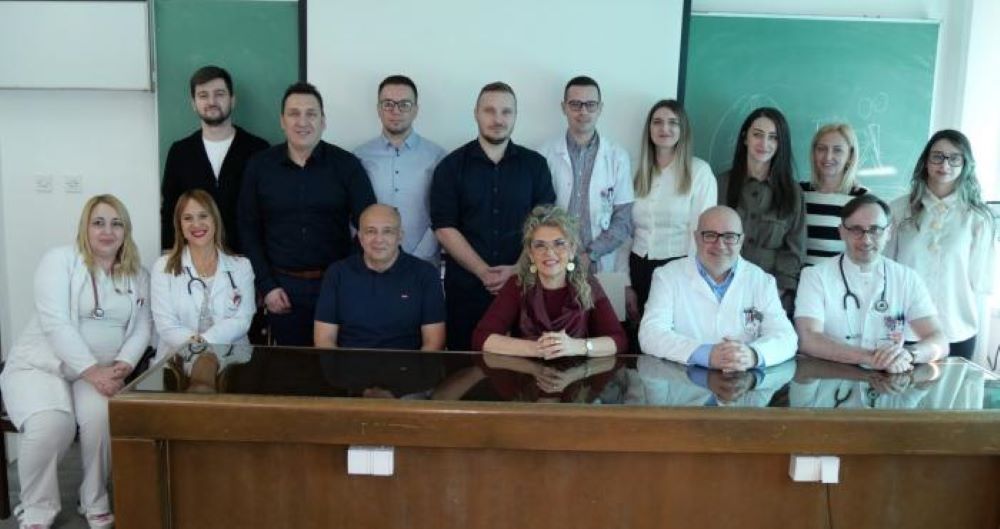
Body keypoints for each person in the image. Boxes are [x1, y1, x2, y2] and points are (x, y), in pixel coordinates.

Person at [0, 195, 151, 529]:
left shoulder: (138, 274)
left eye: (116, 223)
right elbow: (55, 323)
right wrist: (94, 372)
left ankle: (94, 498)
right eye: (98, 223)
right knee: (52, 425)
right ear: (85, 227)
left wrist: (123, 365)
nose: (107, 231)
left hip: (100, 371)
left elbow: (143, 326)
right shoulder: (60, 260)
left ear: (126, 230)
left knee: (102, 418)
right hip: (40, 366)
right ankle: (37, 507)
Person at [239, 82, 376, 346]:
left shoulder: (347, 165)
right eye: (294, 113)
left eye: (311, 114)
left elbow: (369, 225)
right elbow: (248, 228)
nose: (302, 122)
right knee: (293, 366)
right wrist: (267, 285)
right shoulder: (259, 166)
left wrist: (349, 278)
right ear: (282, 121)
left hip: (337, 284)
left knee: (338, 365)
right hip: (282, 288)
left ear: (323, 121)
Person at [430, 82, 555, 351]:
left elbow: (545, 226)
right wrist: (482, 271)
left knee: (527, 367)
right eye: (489, 111)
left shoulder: (535, 166)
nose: (498, 119)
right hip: (466, 290)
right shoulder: (450, 167)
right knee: (465, 364)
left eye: (506, 112)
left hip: (526, 287)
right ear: (476, 113)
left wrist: (517, 269)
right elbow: (444, 227)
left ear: (516, 115)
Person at [795, 195, 947, 372]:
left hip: (887, 381)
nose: (866, 240)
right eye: (856, 230)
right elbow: (808, 339)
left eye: (875, 230)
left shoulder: (907, 278)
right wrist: (870, 358)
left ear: (889, 232)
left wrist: (910, 354)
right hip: (833, 377)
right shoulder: (815, 276)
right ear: (841, 232)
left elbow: (939, 340)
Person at [639, 206, 797, 370]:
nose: (720, 245)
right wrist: (706, 354)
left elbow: (786, 337)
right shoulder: (667, 276)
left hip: (743, 380)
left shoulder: (762, 281)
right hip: (683, 380)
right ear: (696, 238)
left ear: (741, 240)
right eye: (710, 235)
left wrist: (752, 355)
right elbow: (650, 334)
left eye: (729, 237)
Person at [888, 130, 996, 360]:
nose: (945, 165)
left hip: (957, 331)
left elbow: (981, 287)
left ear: (965, 164)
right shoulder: (898, 210)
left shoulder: (978, 218)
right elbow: (886, 273)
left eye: (954, 158)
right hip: (906, 330)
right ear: (926, 161)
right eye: (937, 156)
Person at [471, 205, 626, 357]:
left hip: (578, 372)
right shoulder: (517, 284)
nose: (550, 253)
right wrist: (538, 349)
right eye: (540, 246)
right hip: (526, 371)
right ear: (530, 254)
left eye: (559, 244)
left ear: (572, 250)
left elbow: (618, 340)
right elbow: (481, 338)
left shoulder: (588, 284)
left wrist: (576, 346)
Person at [160, 65, 269, 252]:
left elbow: (269, 211)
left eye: (219, 94)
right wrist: (170, 255)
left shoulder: (258, 150)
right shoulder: (180, 152)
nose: (212, 101)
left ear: (232, 100)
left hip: (247, 259)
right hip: (194, 260)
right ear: (193, 103)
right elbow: (170, 210)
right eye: (203, 95)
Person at [626, 99, 716, 320]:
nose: (664, 128)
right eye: (657, 122)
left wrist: (692, 280)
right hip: (639, 266)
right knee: (640, 332)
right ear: (649, 129)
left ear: (682, 129)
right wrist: (625, 282)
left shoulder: (699, 172)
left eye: (672, 122)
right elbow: (624, 229)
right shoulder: (634, 168)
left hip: (679, 268)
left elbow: (702, 232)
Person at [314, 204, 445, 350]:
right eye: (371, 231)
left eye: (387, 231)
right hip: (349, 362)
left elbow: (434, 342)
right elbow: (324, 339)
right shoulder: (337, 274)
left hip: (408, 363)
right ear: (360, 237)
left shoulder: (425, 274)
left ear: (400, 236)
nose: (379, 239)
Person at [539, 76, 633, 273]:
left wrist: (590, 255)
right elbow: (539, 214)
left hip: (601, 262)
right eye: (575, 104)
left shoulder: (618, 157)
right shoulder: (544, 155)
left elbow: (623, 220)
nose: (583, 111)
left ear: (600, 108)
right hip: (554, 260)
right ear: (563, 107)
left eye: (590, 105)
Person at [717, 107, 805, 311]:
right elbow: (709, 240)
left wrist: (772, 295)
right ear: (745, 138)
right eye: (757, 134)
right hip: (723, 292)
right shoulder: (721, 184)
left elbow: (793, 252)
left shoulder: (793, 192)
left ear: (780, 144)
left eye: (773, 137)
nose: (764, 144)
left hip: (772, 297)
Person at [151, 189, 255, 360]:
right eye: (188, 218)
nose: (196, 224)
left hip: (231, 361)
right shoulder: (163, 267)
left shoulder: (241, 267)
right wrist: (199, 348)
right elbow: (166, 325)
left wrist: (204, 342)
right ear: (179, 226)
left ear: (215, 220)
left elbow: (242, 320)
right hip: (178, 361)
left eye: (203, 216)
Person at [354, 75, 446, 265]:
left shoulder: (437, 157)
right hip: (371, 262)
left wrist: (422, 254)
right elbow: (352, 211)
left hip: (424, 262)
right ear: (378, 109)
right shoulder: (359, 157)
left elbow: (444, 212)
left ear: (415, 110)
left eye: (404, 104)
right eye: (388, 104)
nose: (395, 111)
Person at [800, 123, 868, 266]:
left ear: (850, 156)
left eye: (837, 150)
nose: (828, 156)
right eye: (822, 149)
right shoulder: (799, 193)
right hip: (799, 278)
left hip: (841, 279)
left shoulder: (862, 200)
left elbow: (866, 252)